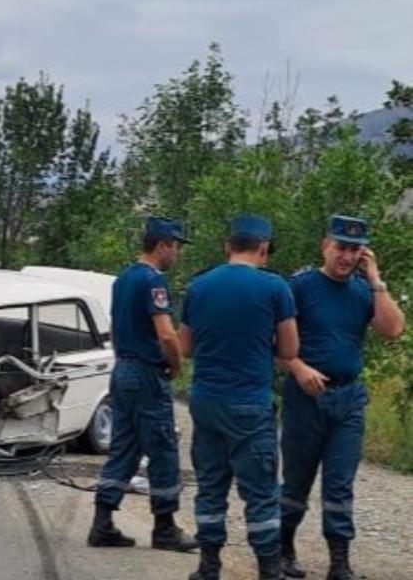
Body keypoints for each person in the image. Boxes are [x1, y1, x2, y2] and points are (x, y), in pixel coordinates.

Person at [278, 216, 405, 580]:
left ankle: (339, 562)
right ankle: (284, 548)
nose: (346, 257)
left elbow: (393, 330)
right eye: (340, 247)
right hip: (306, 398)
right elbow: (275, 343)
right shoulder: (300, 286)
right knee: (296, 482)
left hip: (348, 399)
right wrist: (298, 368)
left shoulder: (364, 291)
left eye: (354, 250)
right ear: (325, 246)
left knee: (339, 485)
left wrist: (377, 280)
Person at [180, 214, 300, 580]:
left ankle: (208, 566)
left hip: (205, 400)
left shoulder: (198, 286)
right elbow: (290, 348)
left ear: (227, 246)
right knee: (261, 492)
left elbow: (184, 348)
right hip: (249, 402)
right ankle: (268, 569)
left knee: (211, 487)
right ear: (263, 249)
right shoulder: (275, 288)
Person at [88, 217, 198, 553]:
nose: (176, 254)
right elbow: (165, 333)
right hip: (147, 373)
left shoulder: (124, 278)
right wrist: (176, 363)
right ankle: (165, 527)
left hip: (122, 370)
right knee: (163, 447)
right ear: (163, 245)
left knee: (125, 445)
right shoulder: (153, 281)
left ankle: (102, 522)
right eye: (175, 246)